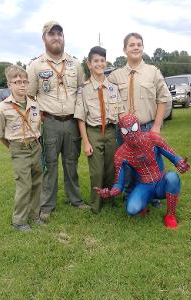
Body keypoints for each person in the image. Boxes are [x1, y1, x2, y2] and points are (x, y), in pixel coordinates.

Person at [27, 20, 89, 222]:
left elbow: (82, 91)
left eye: (59, 34)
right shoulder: (36, 65)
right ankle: (47, 205)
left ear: (63, 38)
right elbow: (30, 96)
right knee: (50, 165)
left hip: (72, 122)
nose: (56, 37)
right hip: (50, 123)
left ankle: (76, 199)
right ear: (44, 38)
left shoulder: (75, 64)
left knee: (71, 163)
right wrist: (36, 124)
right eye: (51, 34)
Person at [95, 114, 190, 229]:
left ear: (139, 126)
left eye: (133, 128)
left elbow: (173, 155)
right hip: (144, 186)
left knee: (172, 178)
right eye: (126, 131)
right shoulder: (120, 154)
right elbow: (119, 184)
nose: (131, 134)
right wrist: (110, 192)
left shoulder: (153, 138)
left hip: (160, 181)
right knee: (132, 209)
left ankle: (170, 215)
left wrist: (181, 163)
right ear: (121, 133)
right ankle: (144, 202)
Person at [108, 32, 172, 201]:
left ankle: (155, 196)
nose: (135, 47)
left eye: (139, 44)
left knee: (152, 163)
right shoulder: (115, 76)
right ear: (124, 50)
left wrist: (156, 127)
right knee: (128, 164)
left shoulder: (153, 72)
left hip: (147, 127)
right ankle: (130, 194)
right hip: (125, 131)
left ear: (143, 48)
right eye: (131, 44)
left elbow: (163, 99)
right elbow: (111, 102)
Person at [0, 65, 43, 231]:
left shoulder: (34, 104)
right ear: (9, 84)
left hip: (35, 146)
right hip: (18, 148)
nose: (22, 85)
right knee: (24, 184)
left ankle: (34, 214)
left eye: (25, 81)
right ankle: (19, 220)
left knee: (37, 182)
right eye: (17, 82)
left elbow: (38, 127)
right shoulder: (3, 107)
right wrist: (13, 147)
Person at [74, 46, 124, 213]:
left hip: (111, 131)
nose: (99, 64)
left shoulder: (112, 87)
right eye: (95, 61)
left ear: (106, 62)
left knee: (112, 168)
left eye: (102, 61)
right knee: (97, 171)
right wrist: (86, 142)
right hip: (94, 132)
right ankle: (96, 204)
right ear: (89, 64)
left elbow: (121, 112)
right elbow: (80, 118)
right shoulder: (84, 89)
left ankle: (111, 198)